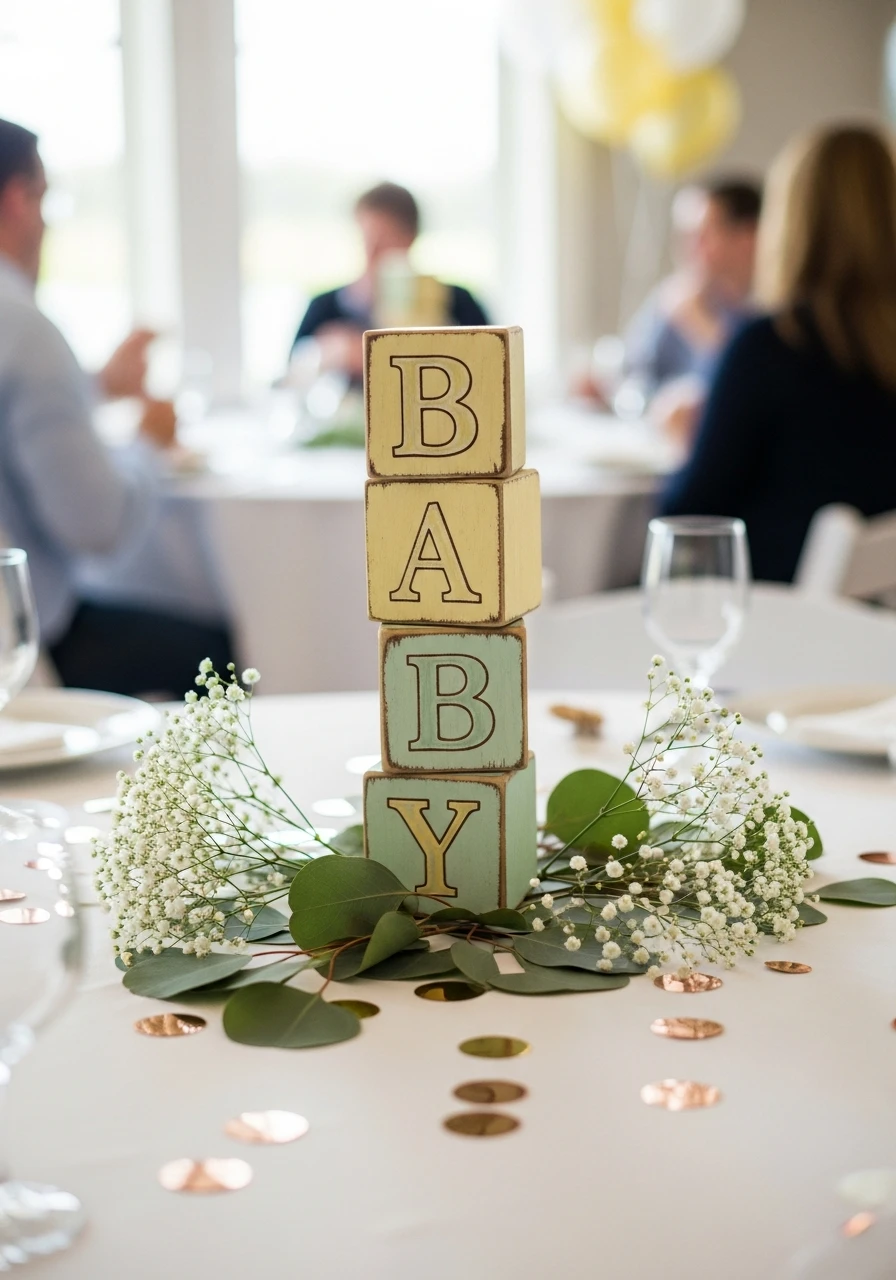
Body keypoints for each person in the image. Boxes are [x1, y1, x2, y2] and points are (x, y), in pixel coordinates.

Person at [0, 118, 232, 695]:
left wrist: (97, 384)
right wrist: (149, 443)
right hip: (27, 644)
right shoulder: (24, 328)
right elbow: (95, 525)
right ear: (19, 201)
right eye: (45, 201)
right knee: (219, 653)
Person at [661, 124, 896, 583]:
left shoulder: (771, 346)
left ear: (791, 220)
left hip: (774, 608)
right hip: (877, 616)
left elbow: (686, 515)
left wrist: (685, 443)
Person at [289, 182, 489, 381]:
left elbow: (490, 366)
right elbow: (290, 374)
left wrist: (373, 355)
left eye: (383, 241)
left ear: (410, 238)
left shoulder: (456, 302)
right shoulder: (325, 306)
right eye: (365, 240)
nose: (371, 254)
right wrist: (326, 353)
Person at [625, 177, 763, 393]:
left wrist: (701, 325)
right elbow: (634, 376)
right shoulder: (673, 298)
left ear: (747, 237)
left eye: (703, 235)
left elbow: (758, 386)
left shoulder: (775, 310)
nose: (690, 247)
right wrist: (605, 387)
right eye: (686, 235)